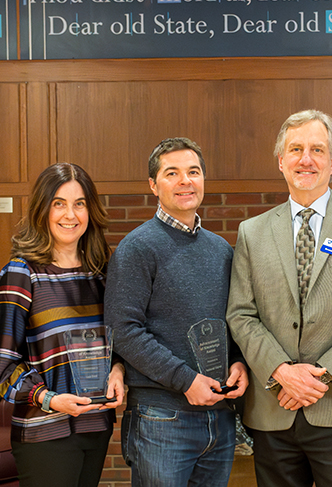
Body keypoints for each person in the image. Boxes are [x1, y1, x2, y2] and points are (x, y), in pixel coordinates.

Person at [226, 110, 332, 487]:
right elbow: (241, 314)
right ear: (281, 162)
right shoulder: (252, 232)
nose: (306, 159)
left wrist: (321, 376)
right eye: (296, 149)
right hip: (274, 410)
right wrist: (282, 372)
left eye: (317, 149)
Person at [104, 137, 248, 487]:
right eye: (172, 173)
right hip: (162, 418)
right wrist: (186, 381)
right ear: (153, 185)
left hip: (219, 416)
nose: (186, 181)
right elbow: (123, 330)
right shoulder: (137, 248)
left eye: (193, 172)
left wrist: (240, 361)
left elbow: (236, 319)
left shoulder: (221, 250)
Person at [0, 163, 124, 487]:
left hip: (97, 424)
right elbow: (3, 368)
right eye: (59, 203)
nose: (70, 214)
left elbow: (117, 343)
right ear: (42, 209)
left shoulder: (101, 273)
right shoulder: (21, 274)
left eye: (79, 203)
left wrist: (118, 371)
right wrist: (49, 399)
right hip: (44, 432)